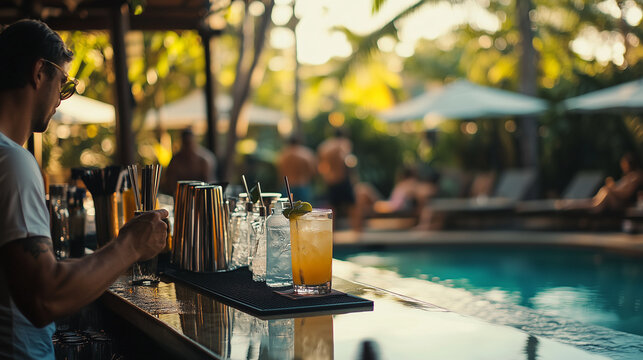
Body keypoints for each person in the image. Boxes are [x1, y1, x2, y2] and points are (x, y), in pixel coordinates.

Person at [0, 20, 168, 359]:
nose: (61, 101)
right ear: (38, 72)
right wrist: (131, 244)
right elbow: (45, 296)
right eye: (62, 84)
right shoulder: (13, 163)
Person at [564, 153, 643, 212]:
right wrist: (611, 187)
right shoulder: (629, 176)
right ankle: (571, 204)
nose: (623, 167)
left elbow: (625, 193)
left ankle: (574, 207)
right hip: (615, 199)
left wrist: (611, 188)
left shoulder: (635, 177)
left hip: (620, 203)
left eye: (624, 164)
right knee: (592, 200)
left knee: (598, 200)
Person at [317, 128, 357, 228]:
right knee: (352, 205)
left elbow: (320, 166)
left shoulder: (324, 146)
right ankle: (357, 230)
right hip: (342, 179)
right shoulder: (344, 143)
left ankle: (331, 232)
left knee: (332, 207)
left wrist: (325, 178)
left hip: (330, 180)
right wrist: (353, 176)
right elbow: (348, 161)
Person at [161, 127, 217, 194]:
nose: (188, 147)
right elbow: (169, 185)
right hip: (180, 198)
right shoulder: (175, 161)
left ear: (194, 142)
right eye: (186, 143)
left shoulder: (204, 160)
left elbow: (210, 183)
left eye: (189, 143)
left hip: (201, 196)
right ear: (182, 143)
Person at [277, 136, 316, 202]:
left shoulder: (283, 155)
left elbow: (280, 172)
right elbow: (312, 170)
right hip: (302, 185)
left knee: (287, 210)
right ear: (299, 142)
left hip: (288, 186)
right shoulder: (305, 154)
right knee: (305, 210)